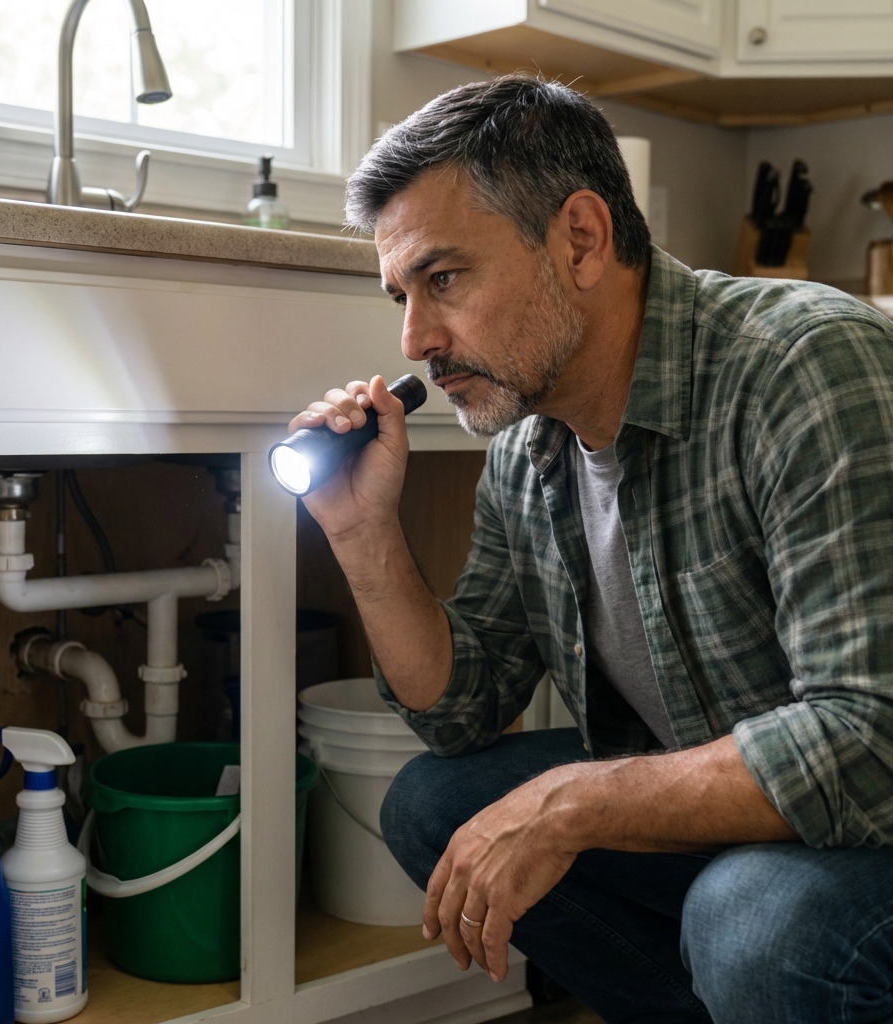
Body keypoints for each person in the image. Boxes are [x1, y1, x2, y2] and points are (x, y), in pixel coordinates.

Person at [290, 75, 893, 1023]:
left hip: (876, 816)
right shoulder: (529, 449)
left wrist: (575, 803)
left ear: (580, 238)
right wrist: (362, 533)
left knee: (752, 922)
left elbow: (870, 738)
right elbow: (462, 711)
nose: (414, 339)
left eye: (444, 279)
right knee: (434, 805)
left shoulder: (806, 366)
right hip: (755, 816)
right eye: (402, 294)